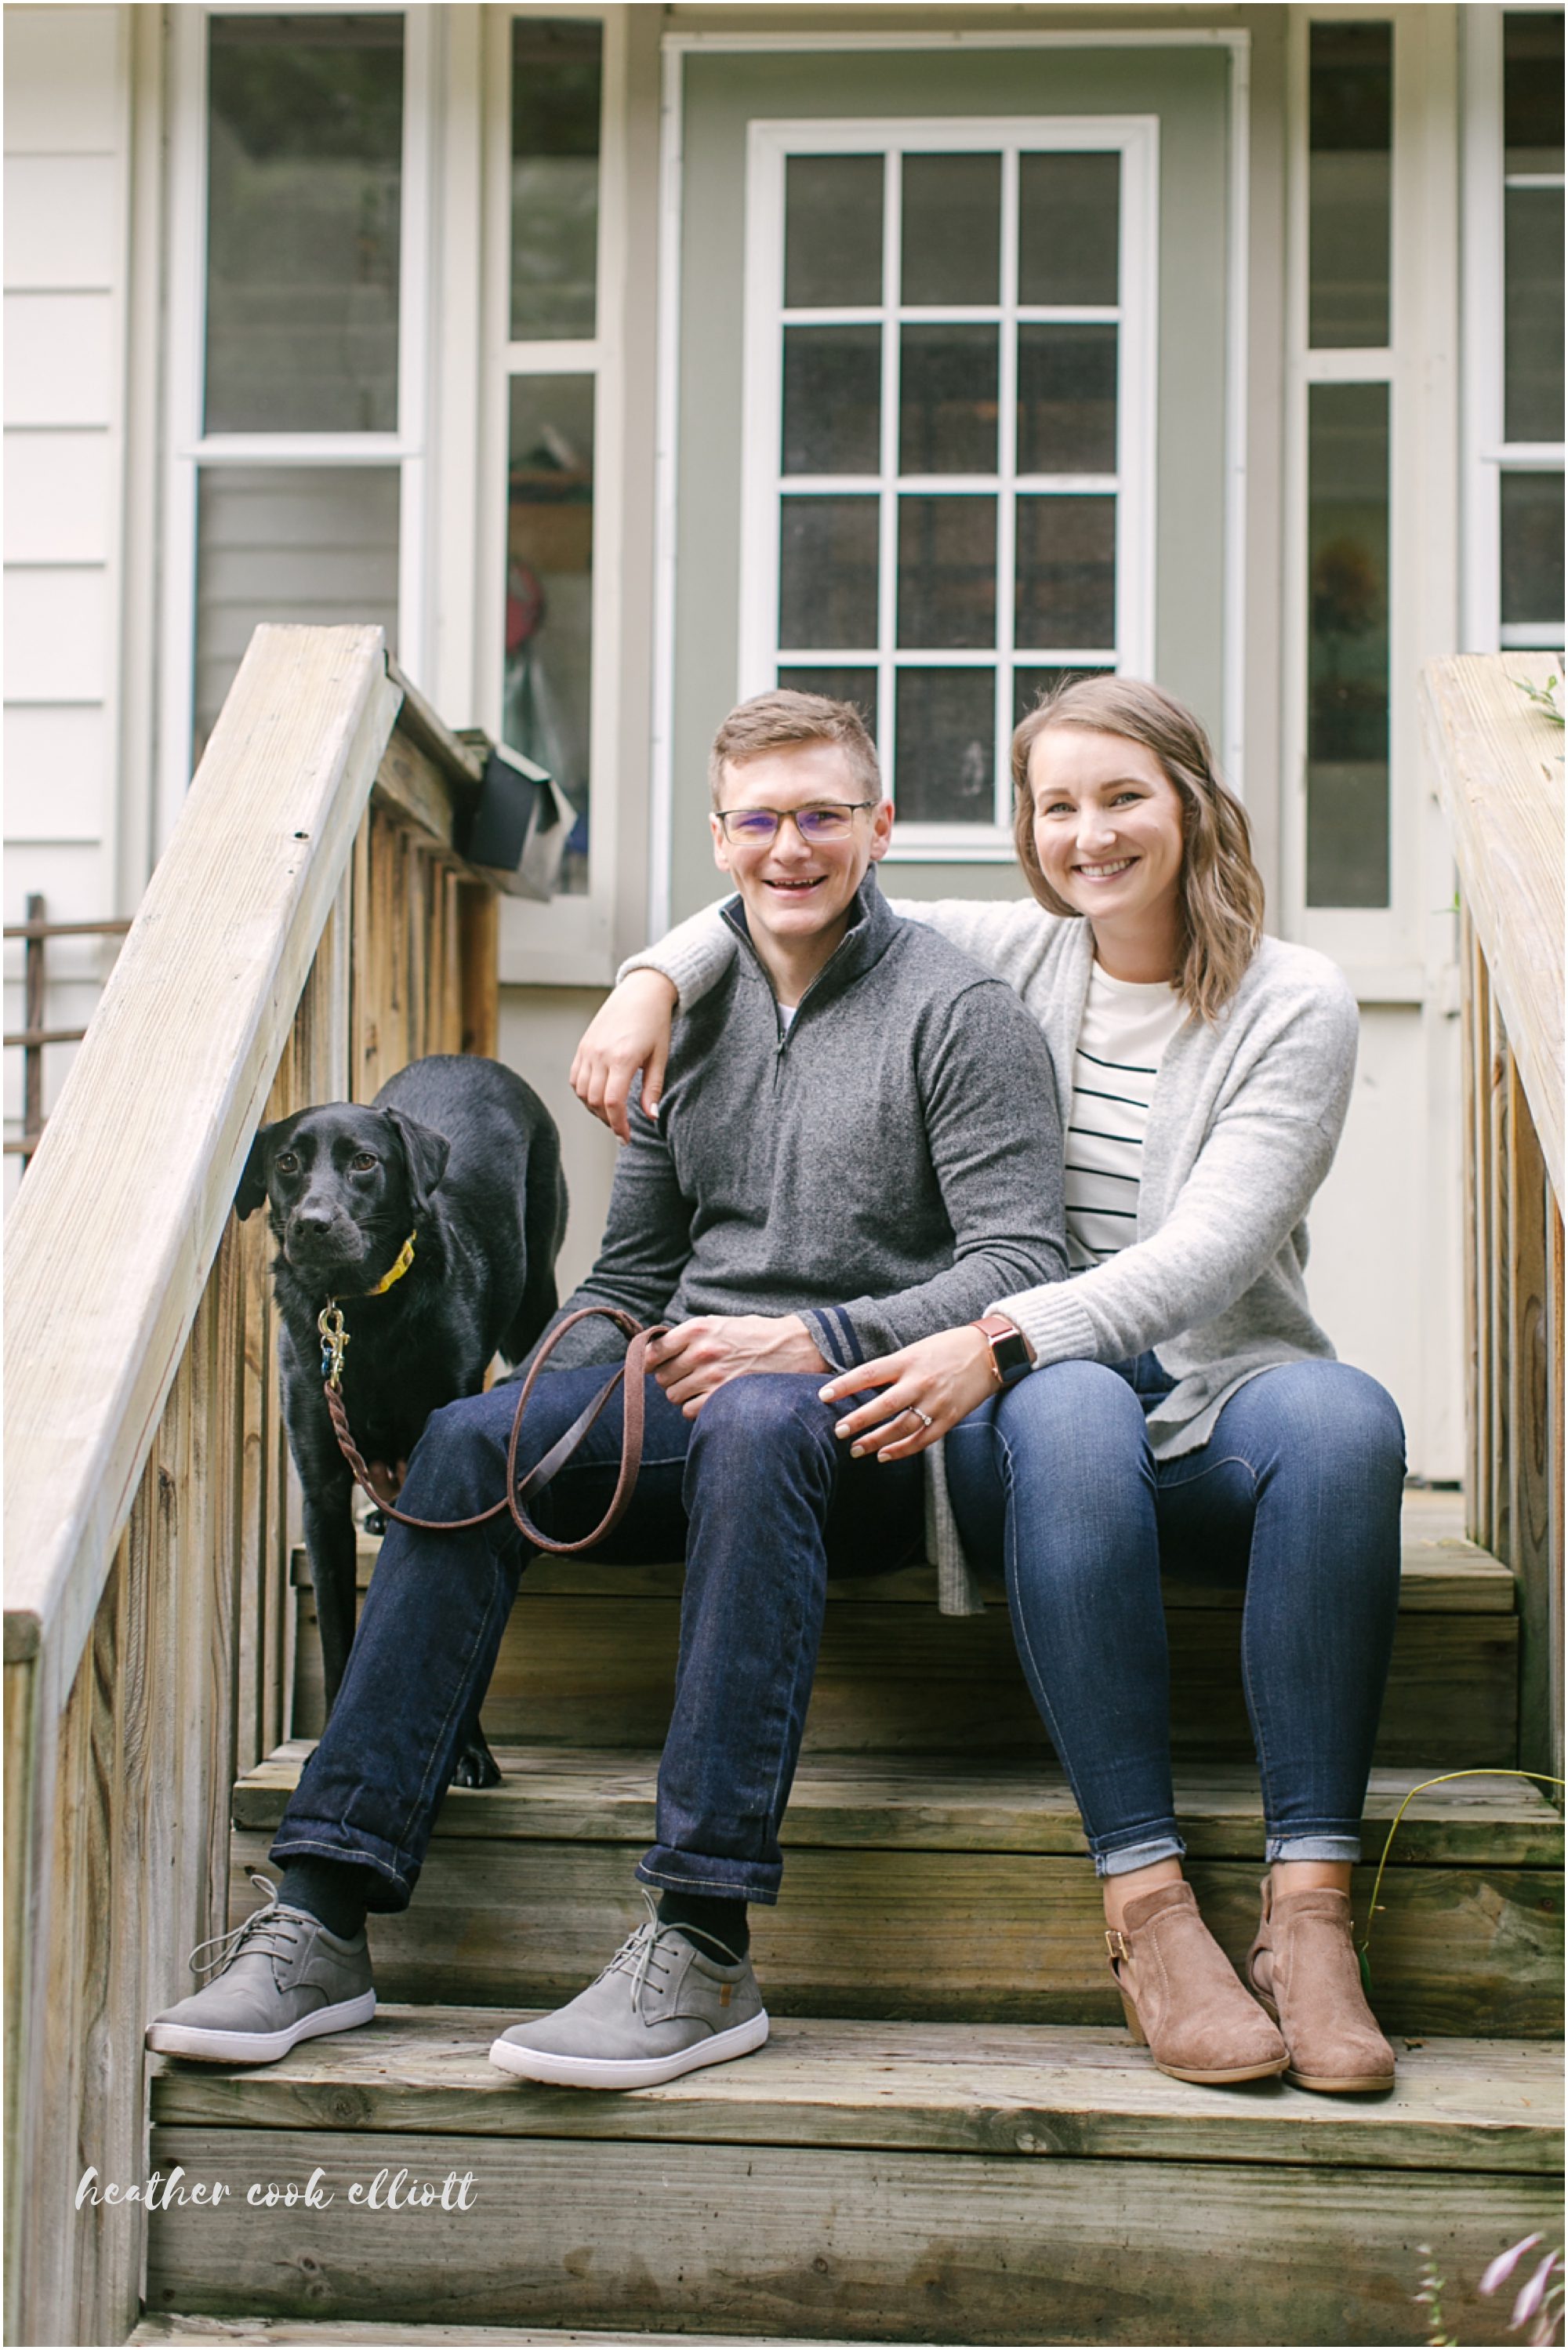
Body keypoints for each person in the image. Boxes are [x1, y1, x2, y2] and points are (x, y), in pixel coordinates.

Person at [146, 689, 1067, 2087]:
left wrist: (812, 1337)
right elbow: (630, 1275)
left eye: (823, 816)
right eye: (759, 820)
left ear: (881, 827)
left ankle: (700, 1940)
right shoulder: (688, 1018)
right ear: (720, 837)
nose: (791, 848)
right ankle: (322, 1912)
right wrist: (547, 1406)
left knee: (757, 1414)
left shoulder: (962, 1014)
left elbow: (1021, 1262)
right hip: (686, 1407)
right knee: (467, 1438)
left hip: (871, 1424)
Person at [573, 674, 1406, 2094]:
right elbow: (781, 893)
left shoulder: (1297, 1000)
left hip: (1206, 1384)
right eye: (1057, 805)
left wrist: (1001, 1336)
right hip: (1033, 1420)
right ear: (1026, 827)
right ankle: (1148, 1906)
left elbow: (1206, 1256)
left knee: (1347, 1418)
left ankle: (1311, 1916)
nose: (1091, 833)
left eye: (1124, 796)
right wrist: (646, 981)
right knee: (1072, 1405)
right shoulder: (1014, 949)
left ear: (1193, 804)